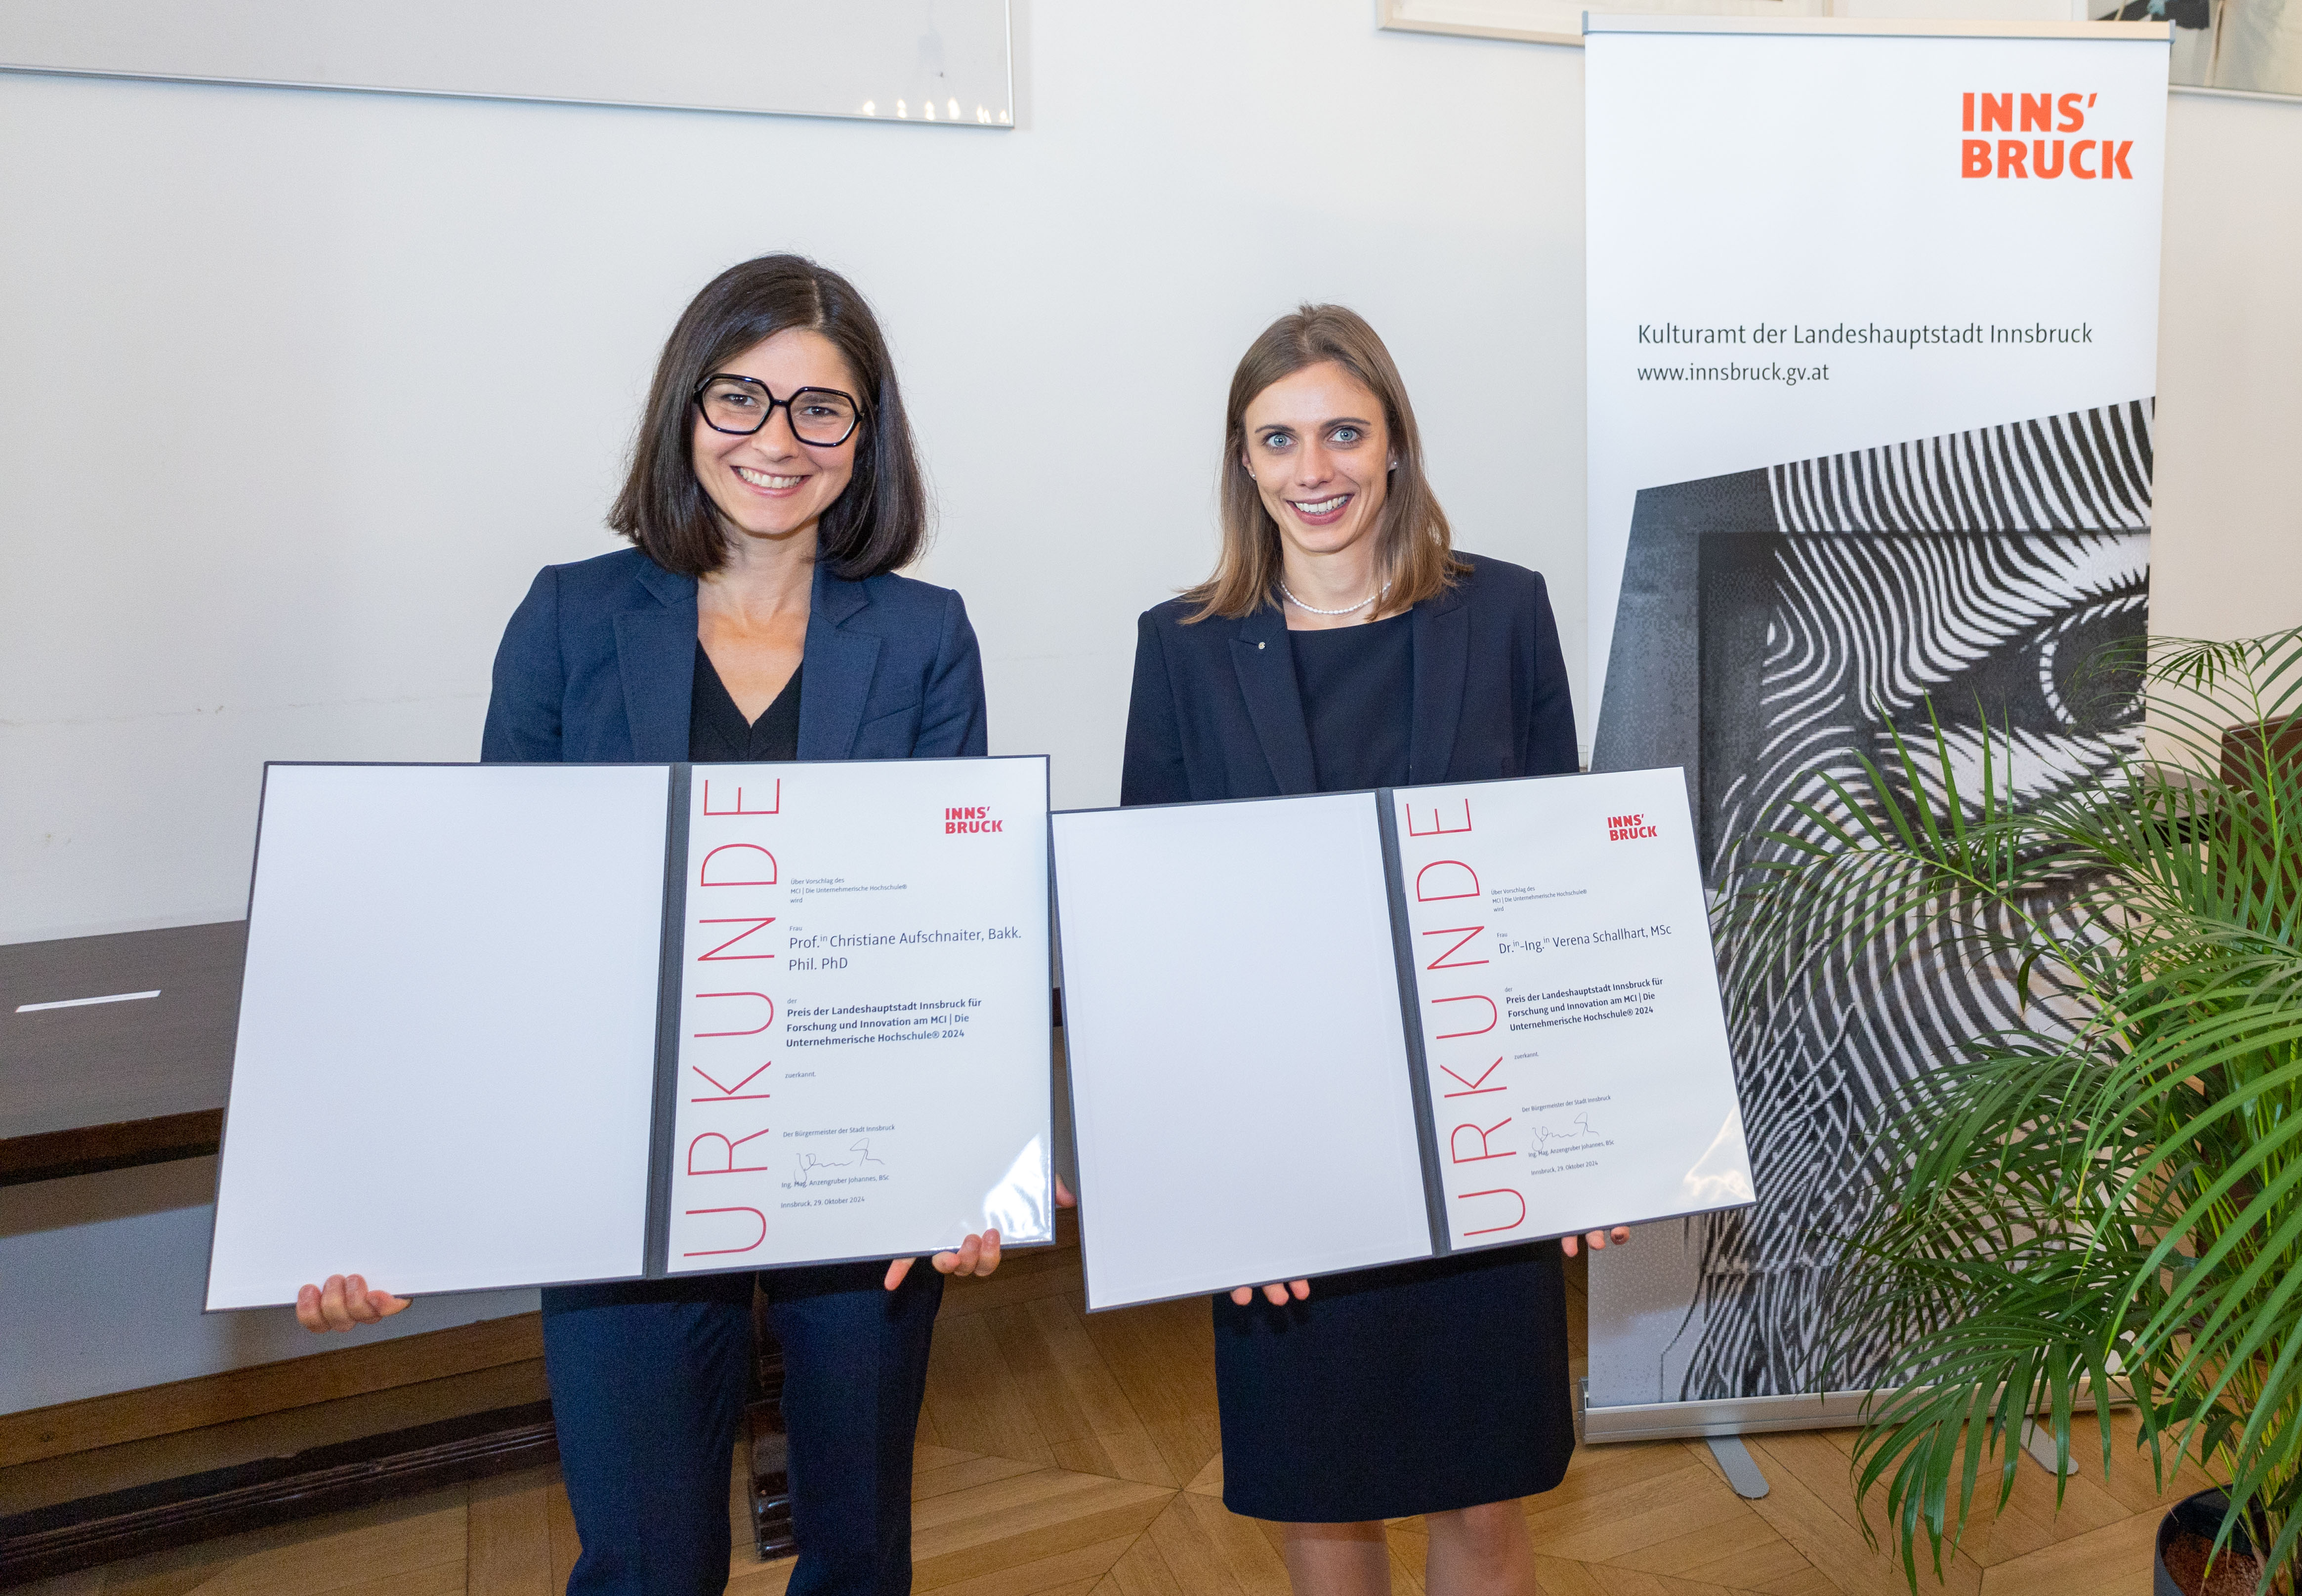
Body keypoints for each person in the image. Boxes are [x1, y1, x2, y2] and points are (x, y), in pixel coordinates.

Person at [293, 254, 1044, 1596]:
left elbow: (954, 930)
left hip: (852, 1166)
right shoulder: (571, 618)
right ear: (684, 408)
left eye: (822, 410)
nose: (775, 441)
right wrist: (380, 1200)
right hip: (613, 1159)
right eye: (739, 397)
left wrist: (976, 1169)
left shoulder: (926, 638)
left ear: (865, 441)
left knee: (861, 1553)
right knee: (642, 1562)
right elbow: (490, 931)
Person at [1119, 305, 1631, 1596]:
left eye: (1344, 432)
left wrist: (1580, 1145)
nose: (1315, 468)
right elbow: (1156, 944)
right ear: (1242, 463)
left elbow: (1551, 889)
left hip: (1475, 1140)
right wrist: (1219, 1197)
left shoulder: (1502, 614)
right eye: (1278, 439)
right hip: (1283, 1154)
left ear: (1395, 443)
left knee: (1482, 1496)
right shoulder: (1176, 651)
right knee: (1322, 1498)